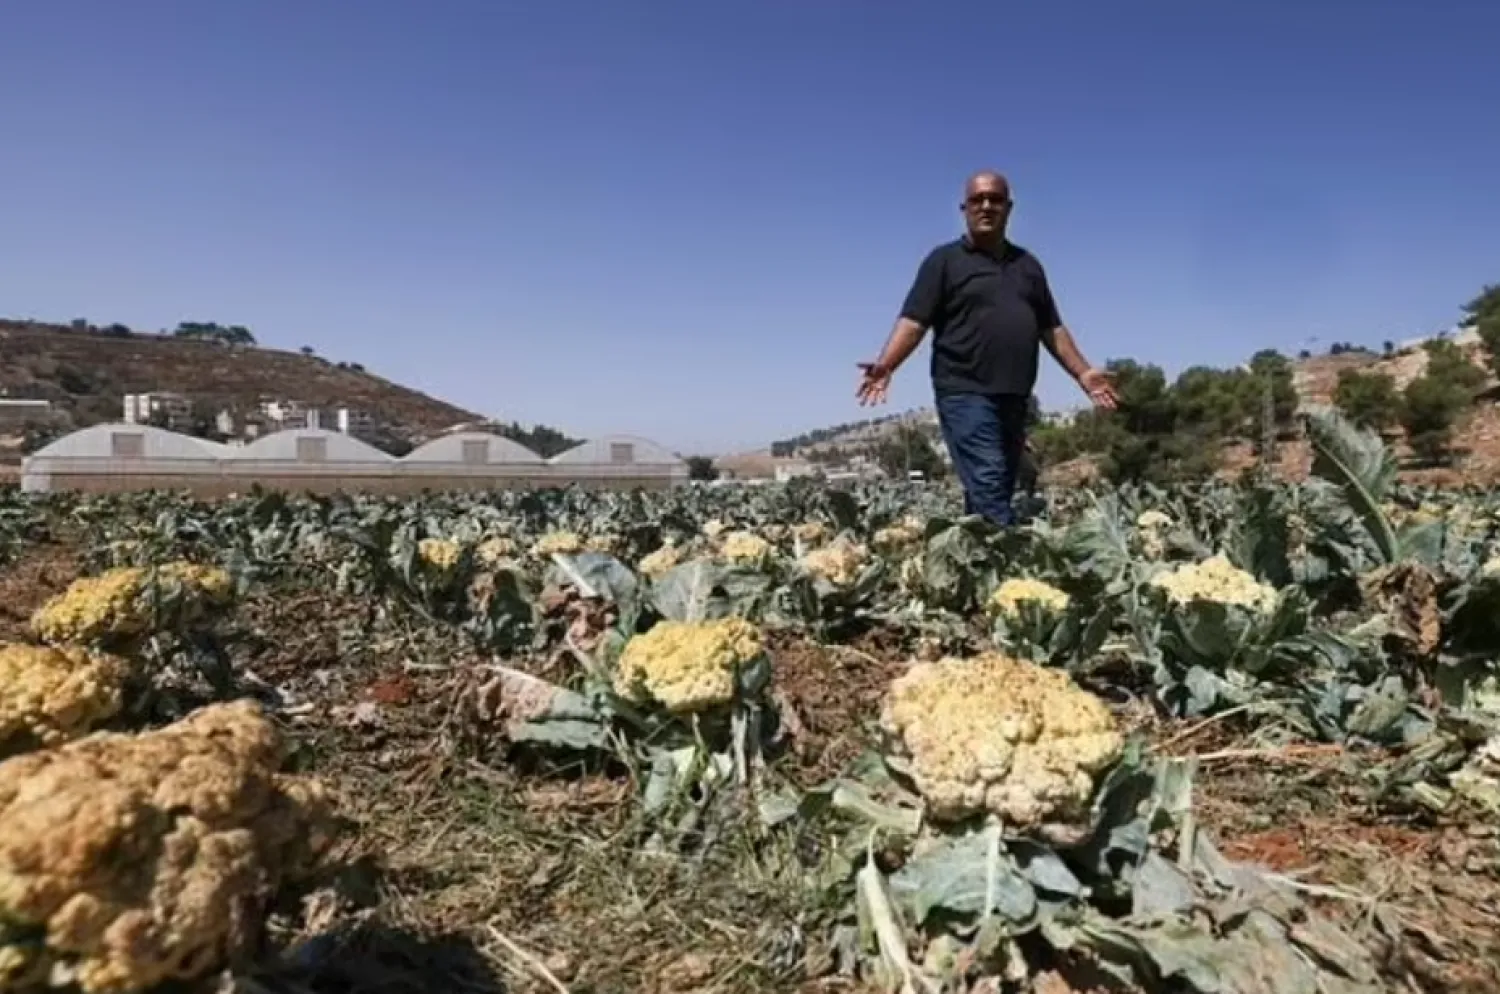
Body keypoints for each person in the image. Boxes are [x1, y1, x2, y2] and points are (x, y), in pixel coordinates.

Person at [856, 170, 1118, 526]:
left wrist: (1084, 373)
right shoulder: (944, 262)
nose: (986, 206)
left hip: (1014, 395)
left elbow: (1051, 328)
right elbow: (914, 322)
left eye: (995, 199)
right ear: (964, 208)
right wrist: (888, 364)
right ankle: (1010, 566)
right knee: (990, 483)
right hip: (964, 391)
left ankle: (973, 567)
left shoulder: (1028, 266)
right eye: (978, 199)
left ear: (1009, 208)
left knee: (994, 489)